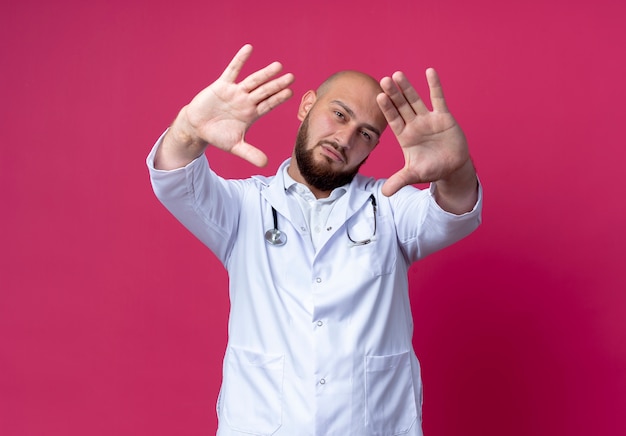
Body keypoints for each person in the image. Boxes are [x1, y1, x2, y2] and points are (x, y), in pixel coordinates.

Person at [147, 44, 482, 436]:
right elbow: (175, 181)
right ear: (307, 105)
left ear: (374, 147)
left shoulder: (389, 208)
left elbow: (454, 212)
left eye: (365, 133)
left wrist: (456, 169)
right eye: (338, 114)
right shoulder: (244, 207)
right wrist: (188, 129)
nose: (344, 138)